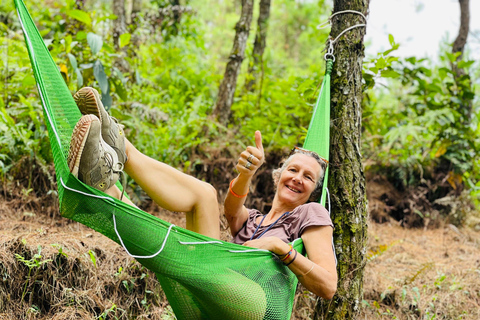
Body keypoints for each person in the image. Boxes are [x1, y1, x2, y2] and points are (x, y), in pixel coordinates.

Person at [68, 87, 337, 300]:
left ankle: (119, 149)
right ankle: (104, 173)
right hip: (216, 287)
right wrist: (246, 173)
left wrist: (280, 248)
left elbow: (328, 286)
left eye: (308, 177)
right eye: (293, 170)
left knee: (189, 230)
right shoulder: (255, 221)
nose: (298, 178)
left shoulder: (311, 212)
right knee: (206, 194)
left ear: (314, 190)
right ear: (278, 176)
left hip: (253, 300)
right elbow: (231, 211)